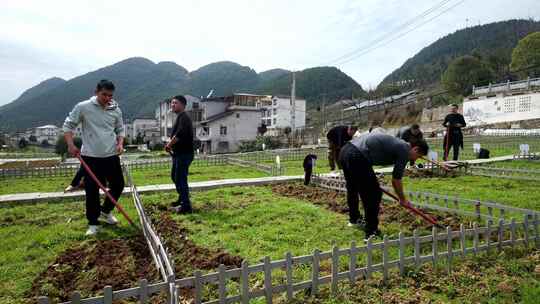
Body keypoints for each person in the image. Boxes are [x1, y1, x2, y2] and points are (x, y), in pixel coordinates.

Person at [63, 79, 125, 236]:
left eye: (110, 96)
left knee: (118, 185)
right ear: (96, 92)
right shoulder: (83, 107)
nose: (107, 98)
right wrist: (71, 145)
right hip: (90, 156)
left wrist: (120, 143)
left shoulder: (116, 109)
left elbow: (120, 129)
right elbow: (68, 125)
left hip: (111, 154)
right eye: (104, 94)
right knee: (92, 190)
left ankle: (105, 211)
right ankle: (93, 223)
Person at [338, 133, 429, 240]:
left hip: (345, 151)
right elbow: (396, 180)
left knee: (353, 187)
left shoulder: (399, 144)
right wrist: (402, 199)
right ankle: (371, 232)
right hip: (357, 155)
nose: (416, 159)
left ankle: (354, 220)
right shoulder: (404, 150)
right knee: (373, 194)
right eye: (418, 156)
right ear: (416, 149)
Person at [165, 95, 194, 214]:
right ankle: (182, 198)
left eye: (175, 103)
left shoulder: (184, 117)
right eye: (172, 103)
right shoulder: (180, 117)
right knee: (175, 177)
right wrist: (170, 144)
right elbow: (176, 135)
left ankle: (186, 206)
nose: (172, 105)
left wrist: (169, 145)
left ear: (182, 105)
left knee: (180, 179)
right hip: (178, 154)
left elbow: (179, 135)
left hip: (184, 154)